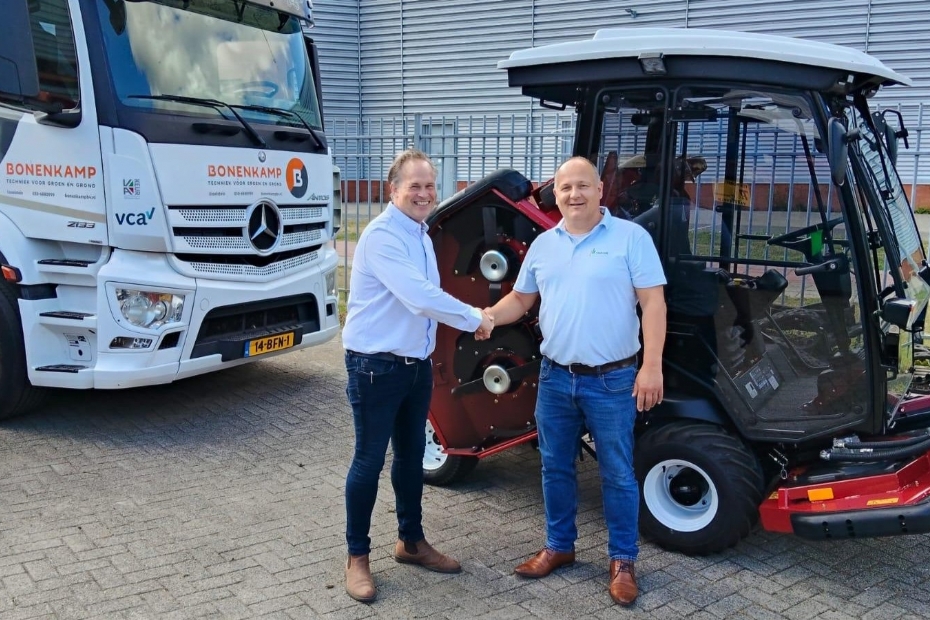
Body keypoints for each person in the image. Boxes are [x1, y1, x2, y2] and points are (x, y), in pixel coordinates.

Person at [481, 156, 667, 606]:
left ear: (600, 190)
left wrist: (652, 366)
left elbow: (653, 303)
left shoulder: (631, 239)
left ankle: (622, 560)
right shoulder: (545, 245)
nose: (574, 194)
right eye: (565, 188)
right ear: (556, 195)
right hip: (555, 378)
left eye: (583, 186)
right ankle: (559, 546)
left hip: (613, 379)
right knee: (555, 466)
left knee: (617, 472)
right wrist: (486, 317)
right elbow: (521, 300)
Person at [340, 148, 494, 603]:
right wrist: (476, 318)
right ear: (394, 190)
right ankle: (357, 557)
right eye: (415, 186)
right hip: (375, 367)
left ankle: (410, 542)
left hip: (414, 366)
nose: (424, 193)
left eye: (430, 186)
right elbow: (420, 296)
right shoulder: (383, 236)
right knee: (369, 461)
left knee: (410, 458)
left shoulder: (420, 233)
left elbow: (426, 299)